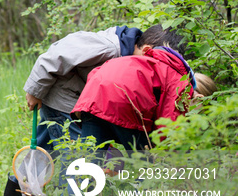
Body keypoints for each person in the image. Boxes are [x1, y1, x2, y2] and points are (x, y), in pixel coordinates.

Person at [0, 25, 186, 196]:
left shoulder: (124, 53)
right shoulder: (110, 47)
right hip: (63, 99)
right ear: (146, 49)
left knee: (43, 151)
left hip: (77, 100)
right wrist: (34, 90)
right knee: (77, 157)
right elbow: (57, 54)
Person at [73, 46, 217, 152]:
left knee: (88, 164)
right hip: (123, 100)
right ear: (199, 99)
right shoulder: (181, 85)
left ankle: (77, 192)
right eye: (201, 113)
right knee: (146, 167)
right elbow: (167, 132)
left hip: (93, 96)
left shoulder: (158, 65)